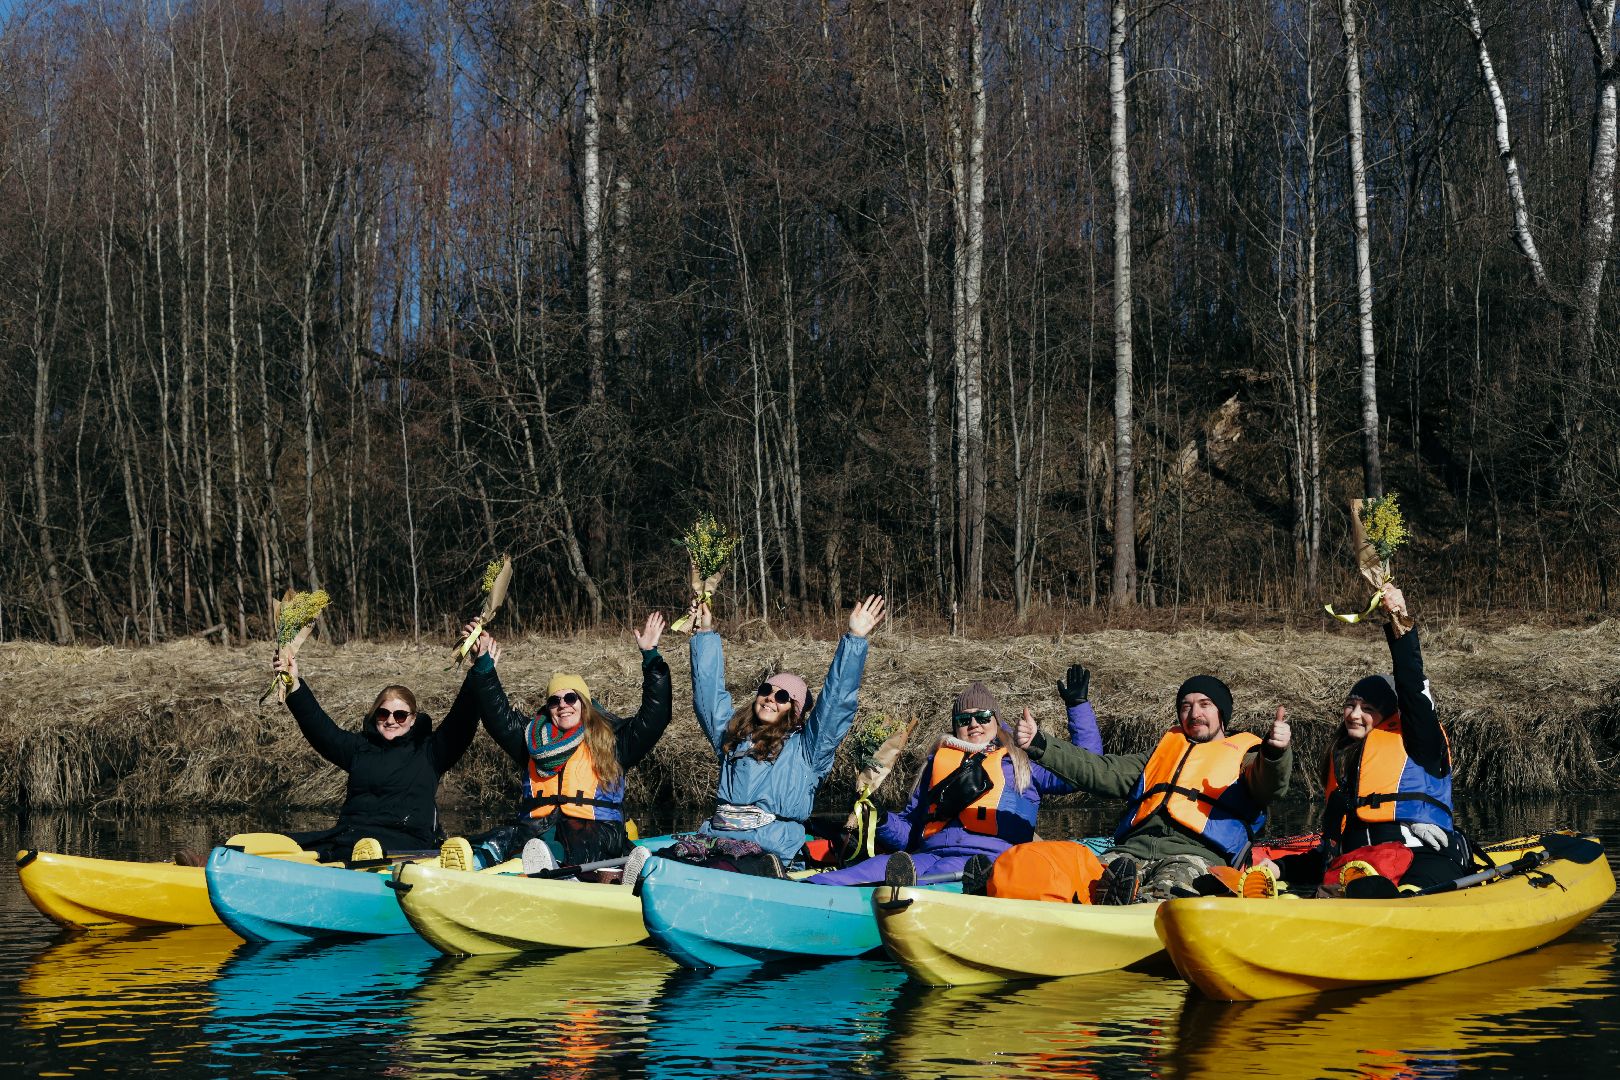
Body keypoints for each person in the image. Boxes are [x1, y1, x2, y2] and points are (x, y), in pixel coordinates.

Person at [624, 592, 887, 884]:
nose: (771, 698)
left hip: (769, 852)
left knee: (723, 868)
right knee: (685, 856)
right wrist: (705, 635)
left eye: (783, 696)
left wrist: (854, 639)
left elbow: (836, 704)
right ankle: (650, 874)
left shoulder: (809, 749)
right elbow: (708, 698)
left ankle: (668, 878)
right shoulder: (733, 737)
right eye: (766, 690)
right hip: (717, 839)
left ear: (796, 711)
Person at [980, 675, 1293, 903]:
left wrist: (1276, 753)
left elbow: (1269, 786)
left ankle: (1135, 906)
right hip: (1129, 854)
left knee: (1170, 889)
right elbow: (1097, 770)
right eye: (1185, 706)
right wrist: (1039, 744)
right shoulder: (1157, 757)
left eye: (1205, 704)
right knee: (1082, 871)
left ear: (1221, 713)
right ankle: (999, 885)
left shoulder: (1249, 758)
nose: (1194, 713)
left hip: (1195, 858)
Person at [804, 667, 1102, 890]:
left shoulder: (1023, 762)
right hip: (926, 855)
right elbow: (909, 834)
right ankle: (806, 892)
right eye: (963, 720)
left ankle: (901, 896)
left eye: (983, 716)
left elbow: (1087, 770)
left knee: (924, 876)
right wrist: (881, 820)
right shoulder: (937, 764)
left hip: (986, 863)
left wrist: (1078, 706)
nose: (973, 724)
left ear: (996, 721)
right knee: (874, 868)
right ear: (955, 727)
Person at [1260, 583, 1466, 895]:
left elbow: (1411, 686)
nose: (1354, 715)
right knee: (1346, 882)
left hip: (1422, 857)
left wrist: (1399, 619)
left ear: (1389, 713)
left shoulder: (1420, 741)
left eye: (1367, 708)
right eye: (1350, 705)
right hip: (1357, 865)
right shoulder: (1344, 762)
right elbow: (1330, 852)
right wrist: (1281, 867)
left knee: (1390, 890)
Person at [438, 613, 673, 875]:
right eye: (554, 700)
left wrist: (651, 656)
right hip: (537, 830)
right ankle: (472, 863)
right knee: (504, 838)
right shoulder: (531, 740)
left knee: (566, 842)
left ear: (583, 703)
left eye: (570, 698)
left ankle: (600, 873)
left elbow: (655, 717)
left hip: (597, 834)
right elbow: (498, 717)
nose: (562, 705)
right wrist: (483, 665)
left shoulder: (614, 740)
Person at [270, 655, 479, 862]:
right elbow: (320, 729)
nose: (390, 721)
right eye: (383, 714)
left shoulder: (431, 752)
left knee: (366, 850)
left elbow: (461, 721)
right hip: (349, 838)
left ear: (413, 719)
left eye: (400, 715)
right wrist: (293, 683)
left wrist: (479, 671)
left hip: (408, 844)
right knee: (277, 843)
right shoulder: (359, 748)